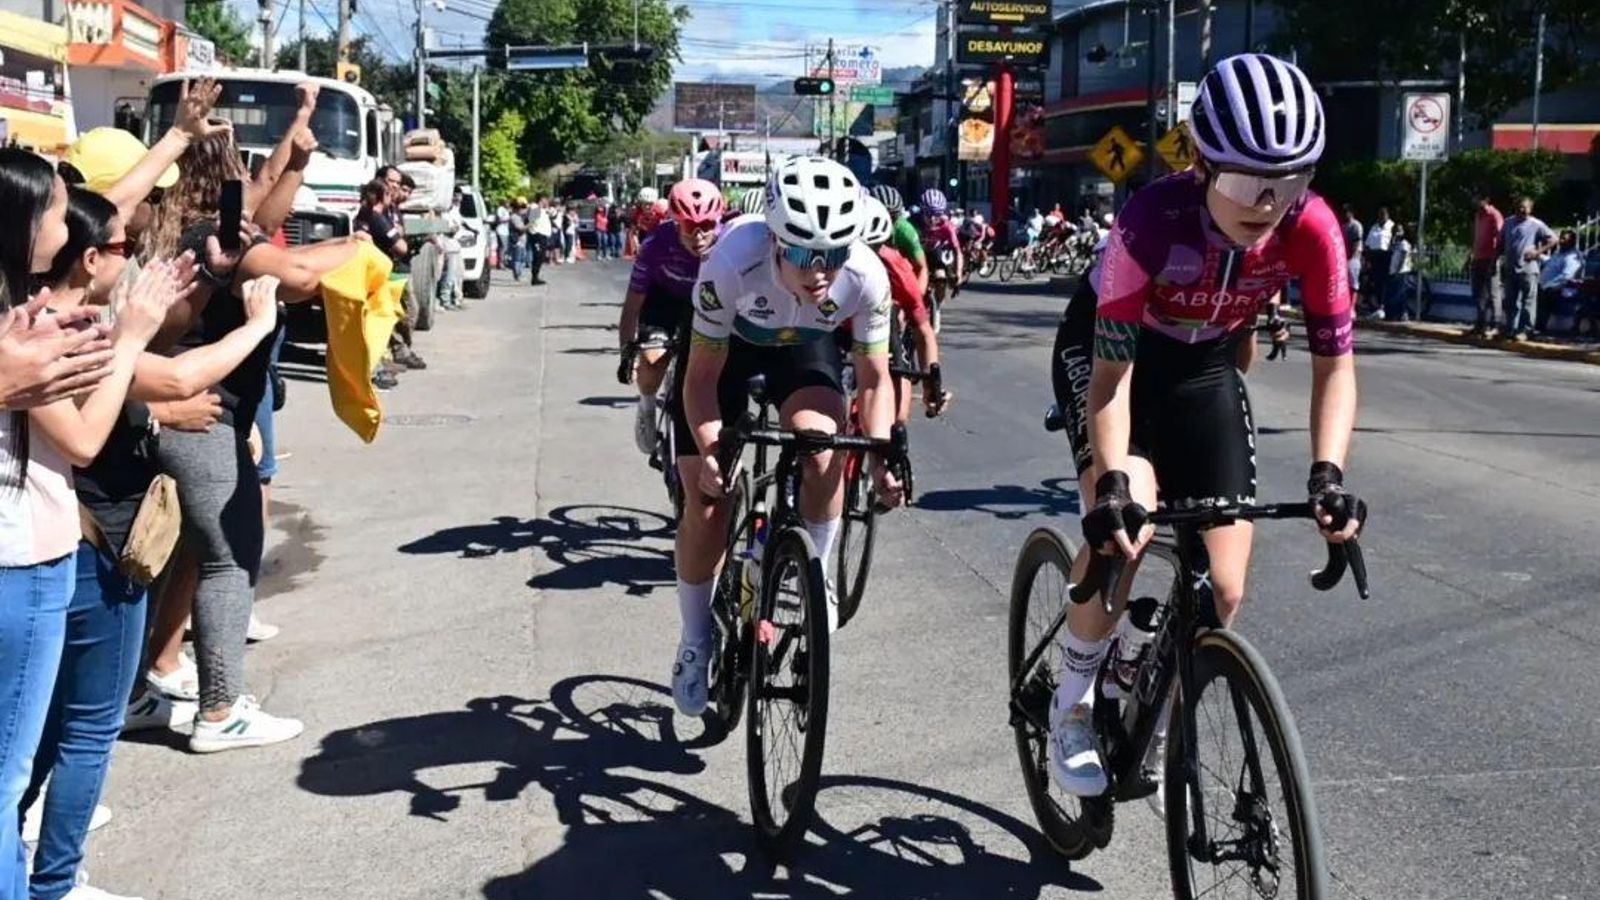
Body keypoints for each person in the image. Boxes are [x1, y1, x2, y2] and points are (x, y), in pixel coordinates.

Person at [1046, 53, 1364, 801]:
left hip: (1204, 367)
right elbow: (1111, 377)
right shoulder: (1151, 221)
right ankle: (1072, 703)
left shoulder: (1312, 230)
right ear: (1204, 166)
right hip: (1115, 359)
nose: (1270, 204)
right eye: (1251, 184)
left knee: (1221, 589)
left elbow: (1336, 369)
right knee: (1129, 523)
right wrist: (1113, 479)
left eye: (1291, 183)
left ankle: (1151, 710)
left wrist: (1329, 474)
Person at [24, 187, 271, 900]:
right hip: (90, 548)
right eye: (125, 247)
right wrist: (256, 326)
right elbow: (167, 376)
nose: (135, 254)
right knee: (80, 730)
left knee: (57, 728)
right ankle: (53, 878)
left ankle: (37, 847)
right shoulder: (57, 328)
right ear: (90, 256)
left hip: (93, 546)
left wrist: (198, 292)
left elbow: (161, 358)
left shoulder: (72, 317)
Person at [0, 147, 184, 897]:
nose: (65, 213)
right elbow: (80, 439)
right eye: (52, 206)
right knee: (28, 761)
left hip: (40, 558)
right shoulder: (17, 326)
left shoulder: (27, 312)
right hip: (31, 560)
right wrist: (130, 339)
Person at [668, 157, 904, 716]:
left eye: (834, 253)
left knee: (823, 449)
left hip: (803, 347)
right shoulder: (730, 260)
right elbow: (700, 379)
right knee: (707, 504)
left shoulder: (867, 275)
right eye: (802, 253)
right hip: (727, 352)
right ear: (774, 239)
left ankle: (815, 571)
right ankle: (695, 636)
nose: (820, 269)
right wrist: (709, 451)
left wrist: (881, 456)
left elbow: (874, 379)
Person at [617, 179, 725, 455]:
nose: (699, 236)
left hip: (708, 302)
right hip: (664, 298)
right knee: (653, 360)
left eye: (707, 226)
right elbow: (632, 306)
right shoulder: (655, 244)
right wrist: (627, 353)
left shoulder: (729, 242)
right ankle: (647, 403)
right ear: (676, 223)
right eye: (690, 227)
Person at [858, 197, 948, 423]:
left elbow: (923, 331)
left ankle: (886, 451)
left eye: (874, 251)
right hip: (838, 327)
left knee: (897, 417)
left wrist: (931, 385)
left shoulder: (899, 257)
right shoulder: (824, 268)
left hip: (884, 324)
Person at [1499, 196, 1556, 341]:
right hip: (1511, 267)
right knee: (1510, 301)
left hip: (1528, 268)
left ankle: (1526, 330)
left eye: (1526, 207)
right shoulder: (1508, 222)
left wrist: (1537, 252)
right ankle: (1510, 328)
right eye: (1520, 207)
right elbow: (1500, 241)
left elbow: (1553, 239)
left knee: (1528, 301)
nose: (1523, 210)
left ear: (1531, 209)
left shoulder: (1536, 224)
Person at [1468, 194, 1504, 336]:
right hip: (1478, 257)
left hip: (1490, 258)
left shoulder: (1495, 215)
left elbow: (1500, 237)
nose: (1476, 203)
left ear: (1486, 200)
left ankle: (1496, 324)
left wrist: (1495, 258)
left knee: (1494, 292)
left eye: (1479, 201)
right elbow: (1477, 237)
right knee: (1478, 293)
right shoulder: (1478, 216)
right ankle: (1480, 323)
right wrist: (1471, 254)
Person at [1537, 229, 1582, 334]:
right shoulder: (1560, 253)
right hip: (1547, 285)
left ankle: (1540, 327)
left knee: (1546, 295)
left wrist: (1548, 285)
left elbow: (1566, 276)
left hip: (1562, 288)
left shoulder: (1572, 257)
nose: (1560, 241)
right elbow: (1550, 262)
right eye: (1560, 238)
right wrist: (1538, 256)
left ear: (1572, 242)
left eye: (1564, 239)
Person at [917, 188, 964, 287]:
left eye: (937, 214)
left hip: (935, 252)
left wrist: (958, 273)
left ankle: (938, 300)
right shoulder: (913, 222)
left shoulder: (947, 226)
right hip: (916, 251)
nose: (932, 218)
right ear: (922, 211)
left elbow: (957, 251)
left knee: (941, 278)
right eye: (928, 213)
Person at [1362, 207, 1395, 312]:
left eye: (1383, 214)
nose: (1381, 216)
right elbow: (1367, 243)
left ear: (1387, 215)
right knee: (1374, 281)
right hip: (1374, 256)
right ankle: (1372, 304)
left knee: (1383, 282)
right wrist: (1367, 258)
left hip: (1385, 256)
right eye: (1380, 214)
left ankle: (1382, 304)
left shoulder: (1391, 226)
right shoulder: (1374, 227)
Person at [1384, 223, 1415, 321]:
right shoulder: (1396, 243)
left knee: (1399, 293)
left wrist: (1398, 269)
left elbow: (1403, 257)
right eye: (1396, 230)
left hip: (1401, 271)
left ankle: (1402, 314)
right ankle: (1395, 314)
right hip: (1393, 271)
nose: (1398, 232)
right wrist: (1393, 240)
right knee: (1394, 293)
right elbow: (1390, 251)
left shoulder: (1404, 243)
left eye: (1400, 230)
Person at [1341, 205, 1364, 301]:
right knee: (1344, 283)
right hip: (1344, 257)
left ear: (1351, 213)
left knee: (1353, 283)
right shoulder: (1343, 226)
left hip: (1354, 257)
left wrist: (1351, 258)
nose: (1344, 214)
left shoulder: (1356, 225)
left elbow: (1356, 242)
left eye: (1346, 211)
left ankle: (1352, 307)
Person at [527, 197, 552, 284]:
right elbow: (531, 221)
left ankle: (536, 276)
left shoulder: (542, 210)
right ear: (541, 200)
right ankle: (534, 277)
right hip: (537, 235)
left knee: (541, 256)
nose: (548, 202)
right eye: (546, 200)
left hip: (543, 235)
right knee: (538, 256)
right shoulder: (535, 208)